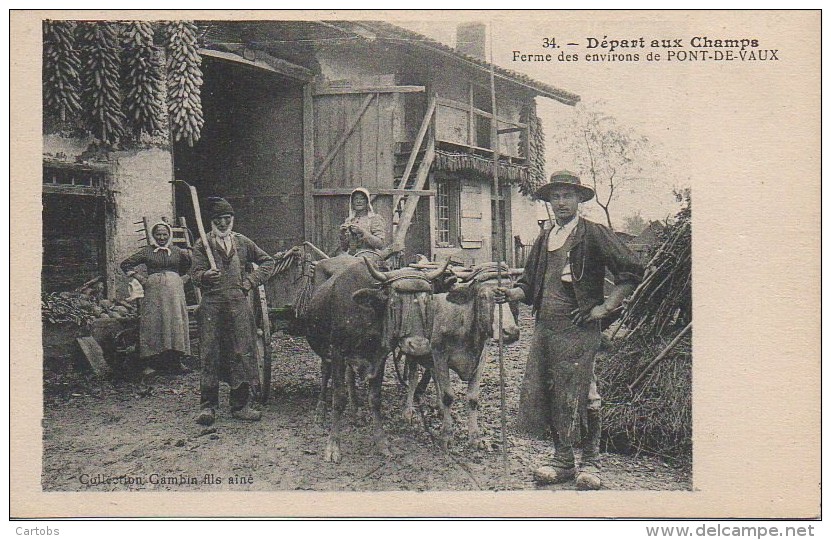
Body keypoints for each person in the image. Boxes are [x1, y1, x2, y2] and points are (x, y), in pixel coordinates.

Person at [495, 171, 643, 490]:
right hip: (547, 327)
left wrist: (605, 307)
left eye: (567, 196)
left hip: (579, 328)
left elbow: (631, 271)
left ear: (579, 200)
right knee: (552, 392)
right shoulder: (546, 236)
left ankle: (591, 463)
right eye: (555, 197)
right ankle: (562, 460)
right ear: (549, 202)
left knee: (584, 392)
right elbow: (530, 283)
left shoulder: (593, 234)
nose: (561, 202)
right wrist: (511, 293)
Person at [191, 197, 275, 426]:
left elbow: (268, 262)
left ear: (232, 219)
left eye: (227, 218)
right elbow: (194, 274)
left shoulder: (242, 243)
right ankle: (208, 407)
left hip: (238, 304)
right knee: (210, 352)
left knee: (242, 351)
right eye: (218, 219)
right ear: (212, 221)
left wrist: (249, 282)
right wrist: (204, 276)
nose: (223, 223)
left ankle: (240, 405)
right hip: (212, 304)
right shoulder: (202, 244)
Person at [120, 221, 191, 373]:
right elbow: (125, 264)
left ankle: (176, 361)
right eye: (158, 234)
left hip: (174, 293)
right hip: (154, 293)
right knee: (154, 324)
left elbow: (194, 265)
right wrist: (139, 277)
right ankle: (151, 363)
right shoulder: (147, 251)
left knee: (175, 323)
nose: (162, 237)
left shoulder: (177, 251)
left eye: (165, 234)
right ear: (153, 236)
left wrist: (185, 277)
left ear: (169, 235)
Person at [339, 187, 387, 255]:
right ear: (352, 202)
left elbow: (380, 244)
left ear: (367, 201)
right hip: (351, 257)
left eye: (362, 198)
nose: (359, 201)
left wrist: (362, 232)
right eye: (356, 199)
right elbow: (344, 248)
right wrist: (342, 234)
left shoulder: (374, 219)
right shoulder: (349, 220)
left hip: (369, 256)